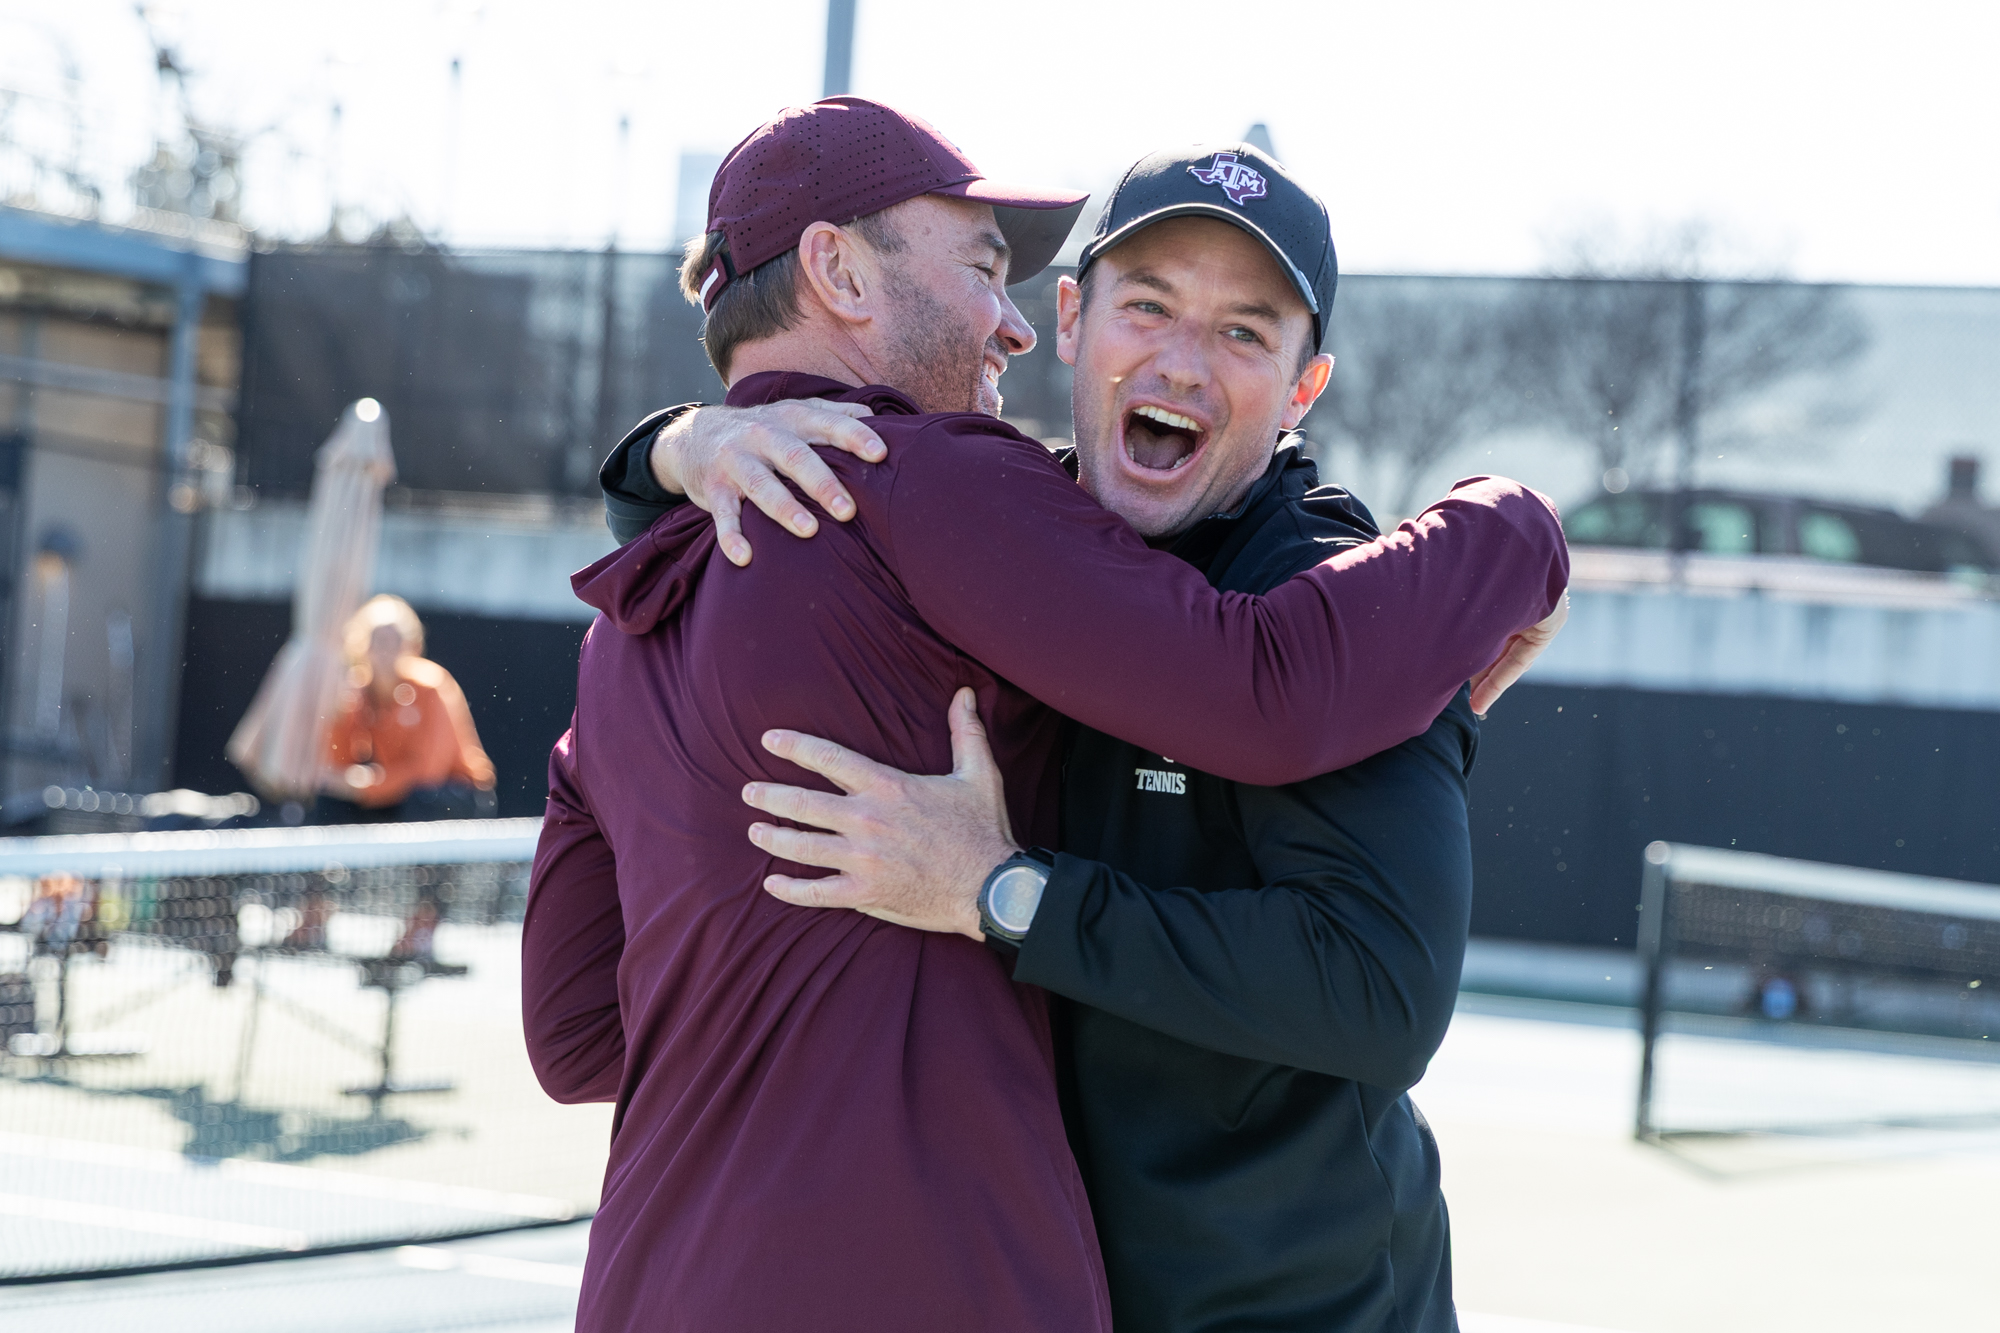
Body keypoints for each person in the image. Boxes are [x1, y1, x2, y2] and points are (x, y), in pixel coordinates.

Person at [524, 97, 1568, 1333]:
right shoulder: (949, 501)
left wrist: (995, 895)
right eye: (981, 269)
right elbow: (1265, 690)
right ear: (837, 269)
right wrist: (1510, 529)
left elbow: (578, 1034)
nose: (1006, 321)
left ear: (1303, 388)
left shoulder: (629, 619)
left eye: (1242, 330)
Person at [317, 595, 495, 823]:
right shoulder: (355, 691)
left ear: (411, 646)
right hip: (397, 793)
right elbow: (339, 766)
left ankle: (413, 861)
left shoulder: (431, 686)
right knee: (332, 799)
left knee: (421, 799)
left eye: (394, 642)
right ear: (361, 647)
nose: (385, 651)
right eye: (377, 641)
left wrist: (367, 786)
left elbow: (429, 772)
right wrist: (339, 714)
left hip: (454, 795)